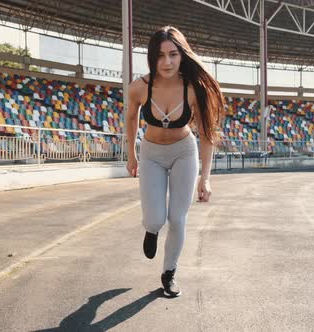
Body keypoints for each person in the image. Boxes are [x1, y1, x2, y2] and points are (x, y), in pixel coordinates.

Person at [125, 26, 225, 297]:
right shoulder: (139, 88)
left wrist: (206, 177)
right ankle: (151, 229)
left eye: (172, 54)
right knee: (156, 218)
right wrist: (131, 155)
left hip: (184, 152)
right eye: (159, 56)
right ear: (151, 57)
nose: (166, 62)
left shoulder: (194, 90)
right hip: (151, 154)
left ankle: (169, 272)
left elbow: (206, 134)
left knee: (178, 218)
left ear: (182, 55)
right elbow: (132, 119)